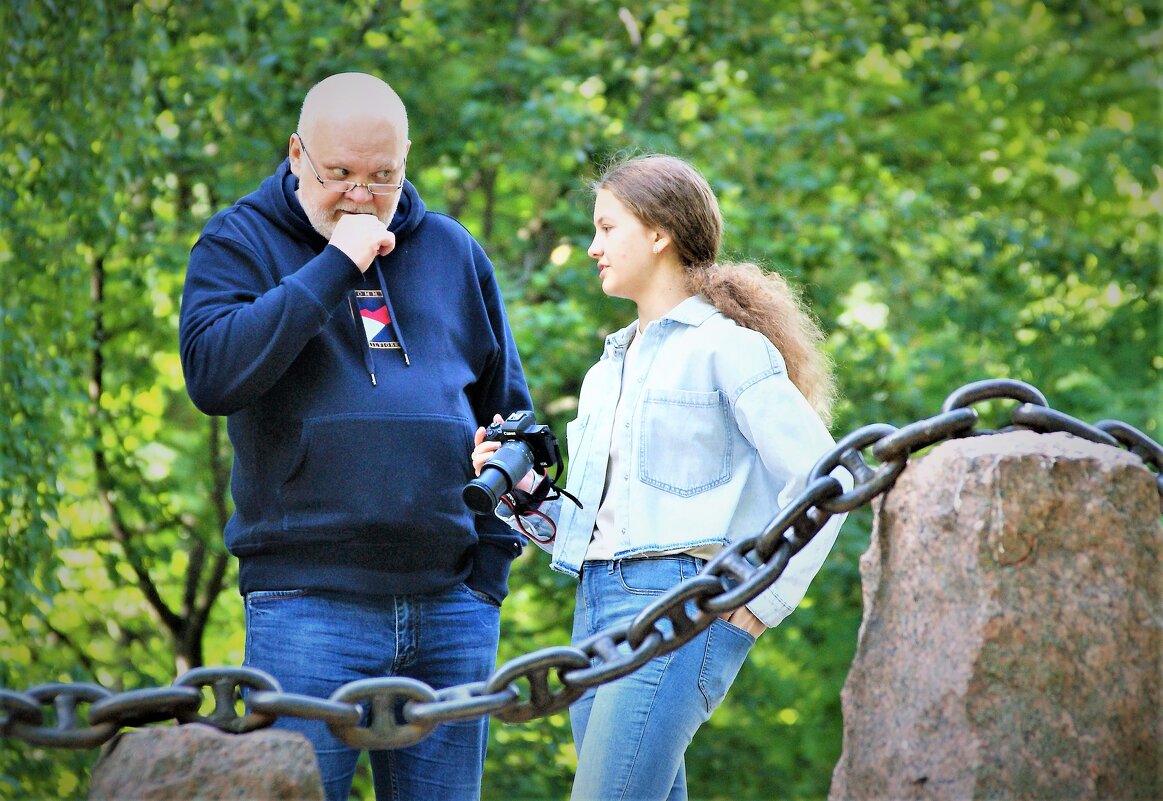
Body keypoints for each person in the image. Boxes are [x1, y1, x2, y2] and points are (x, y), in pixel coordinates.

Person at [179, 72, 532, 801]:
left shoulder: (455, 252)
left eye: (383, 177)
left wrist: (487, 579)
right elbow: (213, 376)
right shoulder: (237, 238)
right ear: (296, 153)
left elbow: (510, 417)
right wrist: (338, 262)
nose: (362, 196)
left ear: (407, 159)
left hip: (450, 603)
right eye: (339, 174)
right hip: (307, 603)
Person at [471, 154, 848, 801]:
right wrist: (518, 495)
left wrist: (760, 603)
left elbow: (828, 481)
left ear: (656, 233)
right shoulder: (604, 370)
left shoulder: (726, 346)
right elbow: (594, 525)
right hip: (593, 605)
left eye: (605, 227)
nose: (591, 247)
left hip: (681, 603)